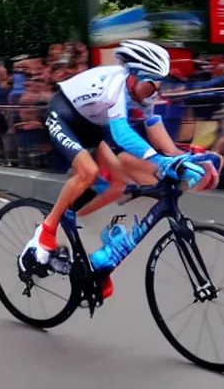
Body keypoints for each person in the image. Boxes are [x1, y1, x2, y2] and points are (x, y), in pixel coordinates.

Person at [19, 40, 214, 300]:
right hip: (63, 115)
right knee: (87, 172)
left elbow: (153, 124)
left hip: (90, 125)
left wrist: (180, 157)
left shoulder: (143, 91)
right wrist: (161, 161)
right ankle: (47, 230)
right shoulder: (115, 85)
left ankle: (86, 248)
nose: (155, 90)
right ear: (133, 76)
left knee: (118, 185)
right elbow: (122, 134)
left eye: (159, 83)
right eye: (150, 83)